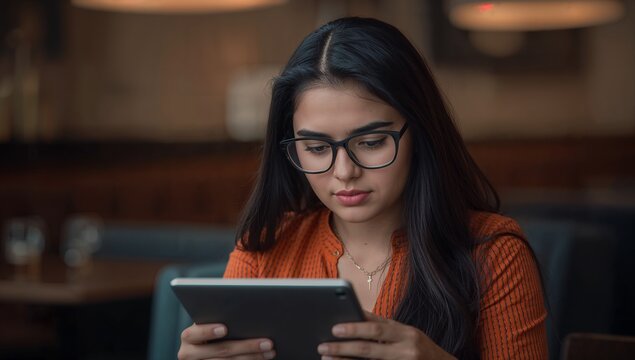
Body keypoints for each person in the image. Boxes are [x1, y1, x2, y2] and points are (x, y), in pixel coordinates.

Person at [178, 17, 547, 360]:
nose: (344, 172)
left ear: (420, 133)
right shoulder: (265, 249)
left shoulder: (493, 254)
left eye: (371, 142)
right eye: (317, 148)